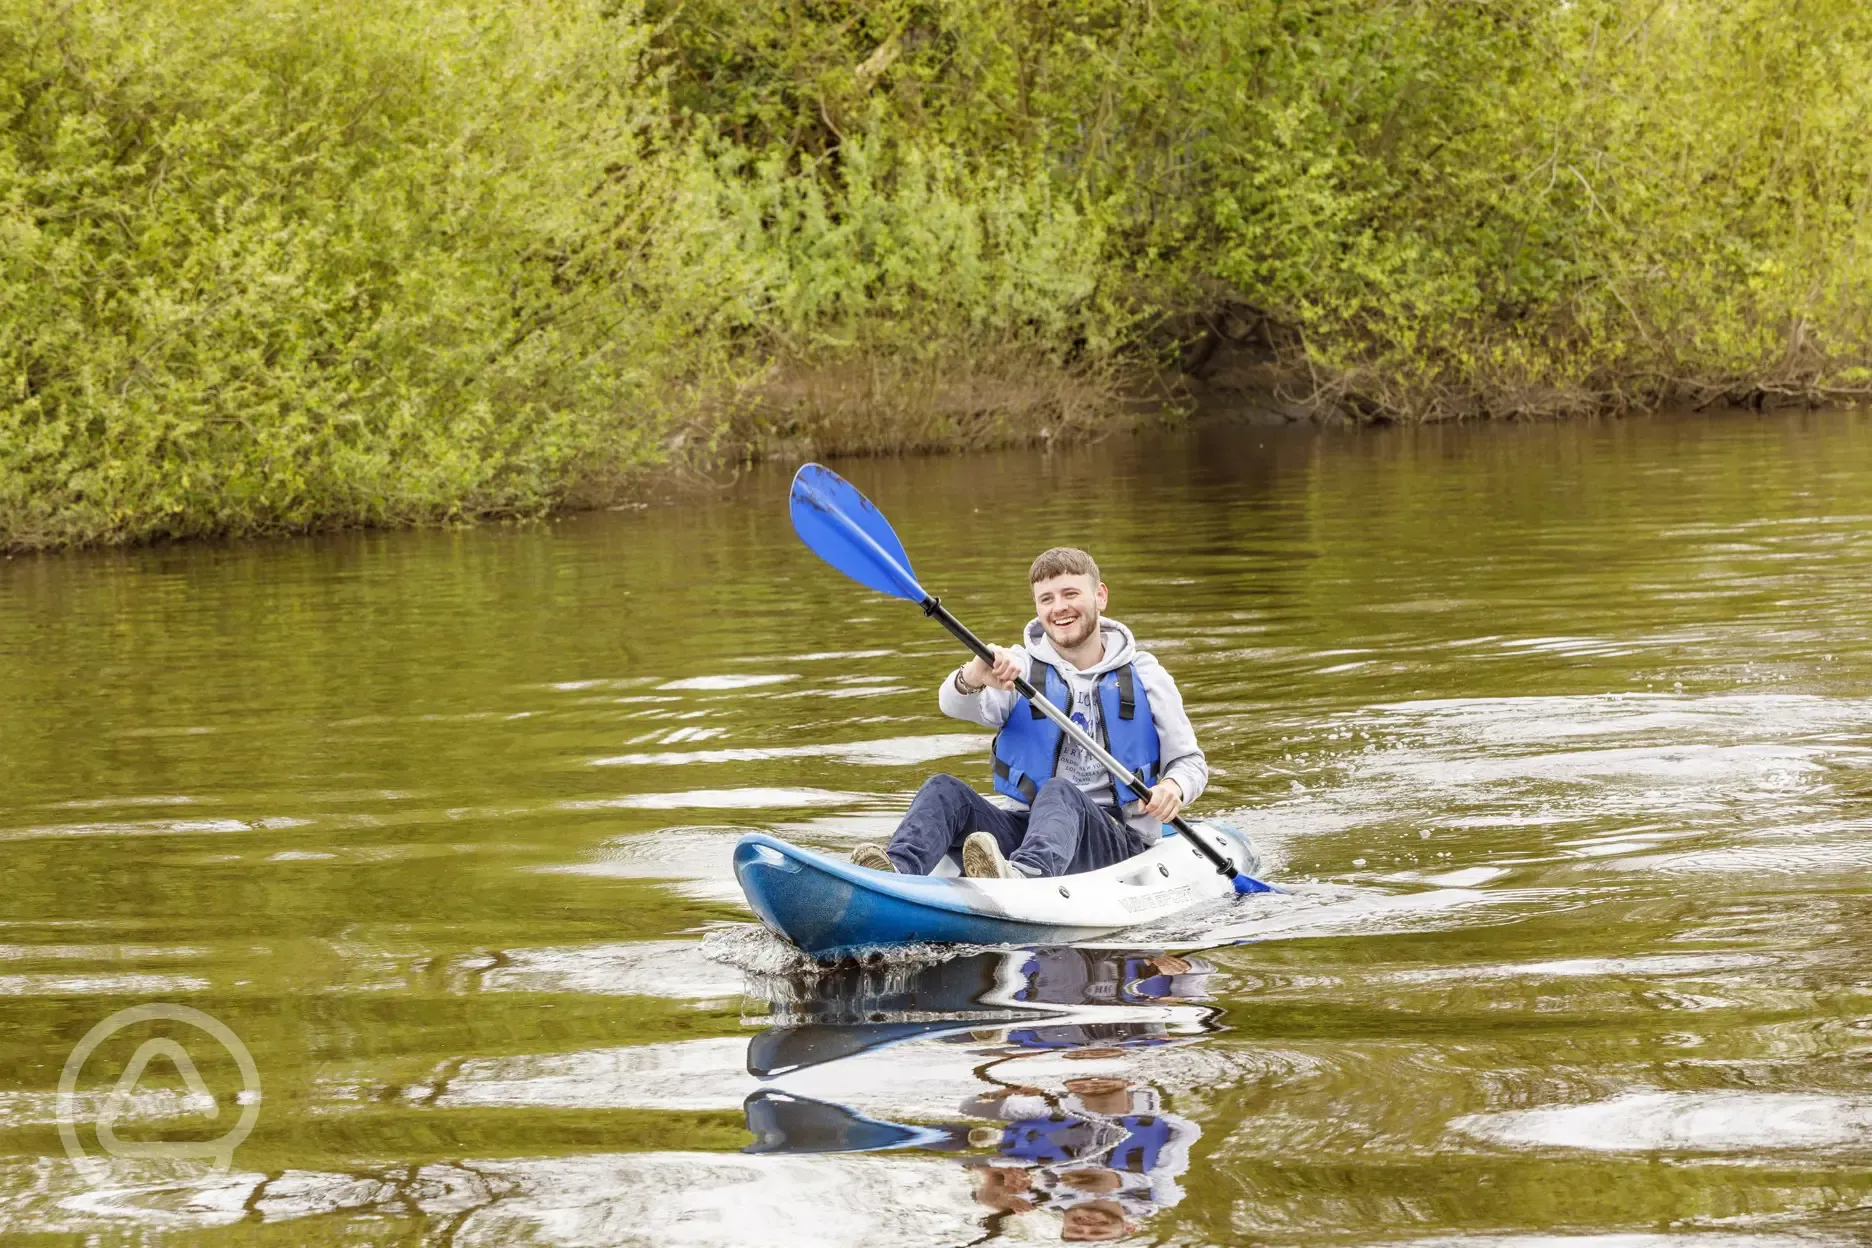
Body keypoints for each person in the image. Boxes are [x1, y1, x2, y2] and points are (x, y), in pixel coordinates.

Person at [850, 547, 1208, 879]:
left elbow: (1190, 762)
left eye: (1071, 594)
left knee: (1060, 791)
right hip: (1025, 827)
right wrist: (973, 675)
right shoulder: (1017, 668)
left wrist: (1173, 788)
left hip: (1114, 838)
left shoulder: (1147, 676)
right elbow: (952, 704)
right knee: (944, 789)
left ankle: (1024, 877)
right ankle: (894, 873)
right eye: (1046, 599)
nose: (1059, 608)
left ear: (1100, 596)